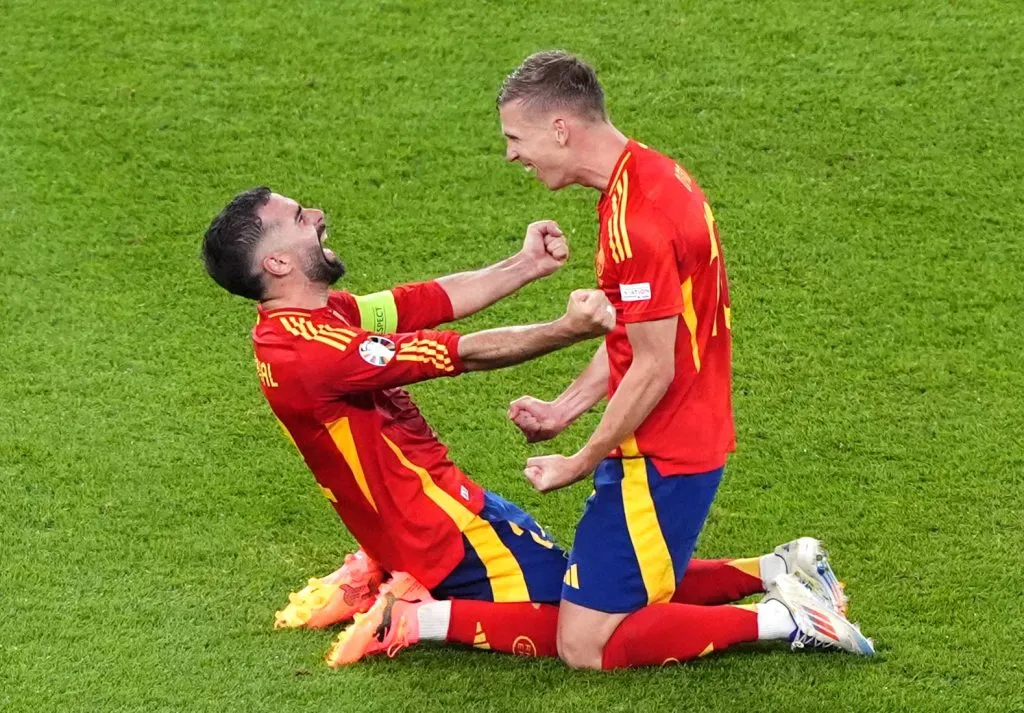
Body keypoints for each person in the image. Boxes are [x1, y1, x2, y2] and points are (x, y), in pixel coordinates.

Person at [202, 187, 860, 668]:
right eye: (296, 218)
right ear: (278, 264)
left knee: (595, 585)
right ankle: (785, 616)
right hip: (447, 533)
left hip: (422, 526)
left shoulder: (312, 321)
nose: (317, 215)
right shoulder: (314, 353)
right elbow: (468, 351)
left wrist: (525, 266)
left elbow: (426, 300)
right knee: (586, 628)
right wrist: (568, 328)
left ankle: (776, 565)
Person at [498, 50, 875, 669]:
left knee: (584, 644)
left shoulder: (637, 219)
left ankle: (786, 620)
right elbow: (641, 334)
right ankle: (780, 568)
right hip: (677, 434)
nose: (513, 153)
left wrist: (580, 458)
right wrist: (563, 408)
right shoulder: (651, 174)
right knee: (619, 584)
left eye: (516, 137)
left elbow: (653, 366)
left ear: (560, 128)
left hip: (662, 452)